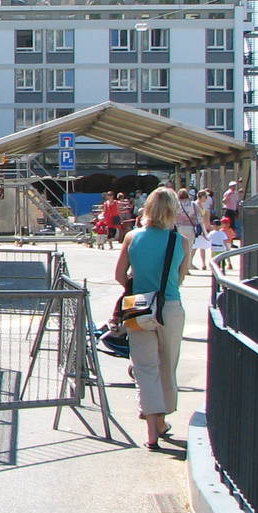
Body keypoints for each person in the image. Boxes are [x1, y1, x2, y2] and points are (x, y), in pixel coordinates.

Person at [114, 186, 191, 452]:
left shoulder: (132, 237)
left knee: (144, 367)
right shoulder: (180, 241)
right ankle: (162, 419)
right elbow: (180, 277)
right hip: (169, 306)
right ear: (173, 210)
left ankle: (151, 431)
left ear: (147, 208)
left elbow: (120, 275)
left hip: (139, 306)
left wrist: (138, 286)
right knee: (167, 364)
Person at [174, 186, 204, 269]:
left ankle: (179, 266)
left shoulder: (176, 205)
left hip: (179, 228)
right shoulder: (193, 204)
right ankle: (187, 266)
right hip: (190, 228)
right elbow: (199, 218)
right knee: (189, 248)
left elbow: (173, 218)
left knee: (179, 248)